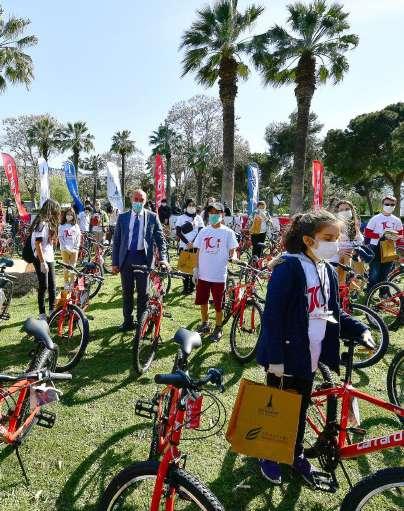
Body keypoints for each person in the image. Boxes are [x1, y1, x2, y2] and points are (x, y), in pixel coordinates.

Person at [256, 209, 373, 485]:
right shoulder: (289, 268)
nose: (335, 243)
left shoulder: (327, 271)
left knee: (300, 407)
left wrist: (361, 328)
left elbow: (334, 312)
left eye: (337, 237)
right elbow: (272, 317)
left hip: (311, 355)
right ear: (309, 240)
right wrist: (275, 359)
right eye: (328, 238)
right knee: (277, 409)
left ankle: (296, 453)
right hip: (285, 356)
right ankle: (268, 454)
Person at [112, 188, 169, 332]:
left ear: (145, 201)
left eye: (141, 200)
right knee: (127, 292)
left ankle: (141, 321)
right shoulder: (123, 217)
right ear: (131, 199)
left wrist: (164, 258)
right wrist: (115, 262)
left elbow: (160, 240)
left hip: (144, 259)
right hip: (126, 258)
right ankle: (127, 321)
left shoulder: (152, 217)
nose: (138, 202)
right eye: (135, 199)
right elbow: (117, 241)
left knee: (143, 293)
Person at [193, 202, 238, 342]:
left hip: (219, 275)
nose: (213, 215)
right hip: (203, 274)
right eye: (211, 213)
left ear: (222, 214)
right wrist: (196, 268)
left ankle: (218, 328)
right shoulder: (204, 231)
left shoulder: (228, 232)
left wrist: (234, 257)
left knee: (219, 304)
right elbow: (198, 250)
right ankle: (205, 324)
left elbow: (233, 250)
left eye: (216, 213)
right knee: (203, 301)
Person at [30, 199, 61, 320]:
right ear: (51, 210)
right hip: (40, 258)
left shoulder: (49, 223)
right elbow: (38, 245)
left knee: (53, 285)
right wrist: (42, 263)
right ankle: (42, 314)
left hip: (49, 256)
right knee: (44, 286)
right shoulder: (41, 223)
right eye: (56, 210)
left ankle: (52, 311)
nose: (57, 213)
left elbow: (50, 243)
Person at [364, 195, 403, 291]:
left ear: (395, 205)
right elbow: (367, 233)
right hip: (375, 246)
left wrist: (396, 238)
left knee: (387, 271)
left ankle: (384, 292)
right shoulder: (375, 218)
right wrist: (379, 235)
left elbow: (401, 234)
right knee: (375, 271)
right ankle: (371, 291)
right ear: (382, 205)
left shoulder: (397, 220)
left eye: (392, 204)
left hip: (390, 247)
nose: (389, 206)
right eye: (387, 204)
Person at [176, 198, 204, 294]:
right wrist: (187, 242)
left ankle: (191, 288)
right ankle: (185, 287)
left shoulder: (199, 218)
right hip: (184, 245)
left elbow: (201, 231)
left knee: (193, 268)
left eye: (193, 205)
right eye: (189, 205)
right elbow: (178, 232)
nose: (191, 207)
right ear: (186, 206)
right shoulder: (181, 218)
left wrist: (193, 242)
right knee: (184, 267)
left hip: (195, 246)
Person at [332, 200, 364, 282]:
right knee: (338, 281)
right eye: (341, 210)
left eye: (347, 209)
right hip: (336, 259)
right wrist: (338, 251)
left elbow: (359, 240)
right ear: (337, 212)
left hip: (350, 259)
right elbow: (329, 242)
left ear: (352, 210)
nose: (344, 212)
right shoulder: (333, 225)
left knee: (349, 282)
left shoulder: (354, 224)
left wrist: (354, 247)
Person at [58, 207, 81, 289]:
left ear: (73, 216)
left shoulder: (76, 226)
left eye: (71, 215)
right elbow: (60, 238)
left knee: (73, 266)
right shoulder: (61, 226)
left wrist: (75, 247)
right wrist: (66, 248)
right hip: (64, 250)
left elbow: (78, 237)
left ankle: (72, 282)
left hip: (74, 250)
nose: (69, 216)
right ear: (65, 215)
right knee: (66, 266)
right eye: (68, 214)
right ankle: (66, 282)